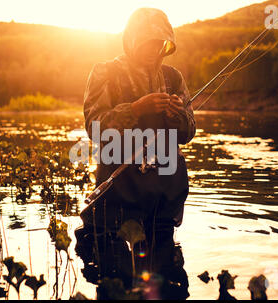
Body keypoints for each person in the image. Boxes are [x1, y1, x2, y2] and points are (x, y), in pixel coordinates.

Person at [80, 7, 196, 236]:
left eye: (159, 43)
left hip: (165, 195)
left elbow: (189, 132)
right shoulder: (106, 72)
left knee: (164, 262)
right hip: (119, 191)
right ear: (132, 40)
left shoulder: (174, 77)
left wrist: (178, 117)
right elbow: (94, 127)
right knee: (111, 259)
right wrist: (136, 109)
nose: (153, 49)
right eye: (146, 42)